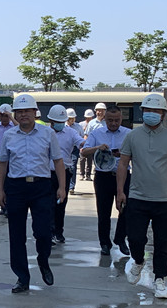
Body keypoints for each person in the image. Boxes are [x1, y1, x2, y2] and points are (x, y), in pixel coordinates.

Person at [117, 93, 167, 299]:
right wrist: (120, 191)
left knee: (162, 242)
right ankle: (138, 261)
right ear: (142, 112)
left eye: (156, 111)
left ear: (164, 114)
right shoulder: (132, 136)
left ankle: (159, 280)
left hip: (164, 199)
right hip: (137, 197)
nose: (152, 114)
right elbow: (123, 164)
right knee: (135, 238)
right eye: (148, 110)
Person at [0, 93, 65, 293]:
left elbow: (58, 160)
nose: (23, 115)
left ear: (35, 112)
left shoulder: (47, 133)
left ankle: (43, 261)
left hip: (41, 187)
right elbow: (2, 163)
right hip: (16, 187)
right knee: (16, 234)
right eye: (19, 111)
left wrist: (61, 187)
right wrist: (0, 190)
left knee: (43, 232)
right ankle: (22, 277)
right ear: (15, 114)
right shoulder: (9, 135)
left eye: (27, 111)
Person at [81, 105, 131, 256]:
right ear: (105, 119)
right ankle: (104, 243)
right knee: (103, 212)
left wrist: (123, 154)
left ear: (121, 119)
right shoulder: (96, 133)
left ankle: (120, 239)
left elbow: (137, 154)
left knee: (126, 209)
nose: (113, 123)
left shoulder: (128, 134)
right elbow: (84, 152)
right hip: (103, 176)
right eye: (110, 120)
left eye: (116, 120)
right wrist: (97, 148)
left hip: (124, 176)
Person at [47, 105, 84, 244]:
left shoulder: (71, 132)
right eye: (57, 122)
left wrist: (89, 145)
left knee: (61, 203)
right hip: (47, 173)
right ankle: (50, 232)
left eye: (62, 121)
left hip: (64, 173)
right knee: (49, 203)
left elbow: (81, 143)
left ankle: (59, 232)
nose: (60, 124)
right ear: (51, 121)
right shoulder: (44, 132)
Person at [65, 108, 84, 194]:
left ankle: (71, 186)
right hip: (65, 148)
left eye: (73, 118)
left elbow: (82, 137)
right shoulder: (63, 126)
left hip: (75, 148)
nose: (72, 120)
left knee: (73, 166)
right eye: (70, 118)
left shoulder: (78, 127)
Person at [78, 109, 95, 181]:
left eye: (90, 118)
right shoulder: (81, 124)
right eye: (87, 118)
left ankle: (88, 175)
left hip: (90, 145)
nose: (88, 119)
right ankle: (82, 174)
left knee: (89, 160)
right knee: (82, 159)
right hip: (83, 144)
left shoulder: (93, 123)